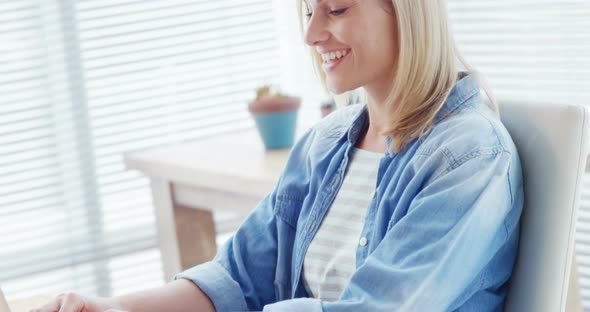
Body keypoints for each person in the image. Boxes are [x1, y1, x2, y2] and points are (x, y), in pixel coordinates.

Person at [33, 0, 523, 311]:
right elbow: (238, 280)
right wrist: (114, 309)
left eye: (335, 10)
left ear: (406, 10)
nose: (311, 35)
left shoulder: (469, 158)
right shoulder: (325, 144)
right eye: (309, 11)